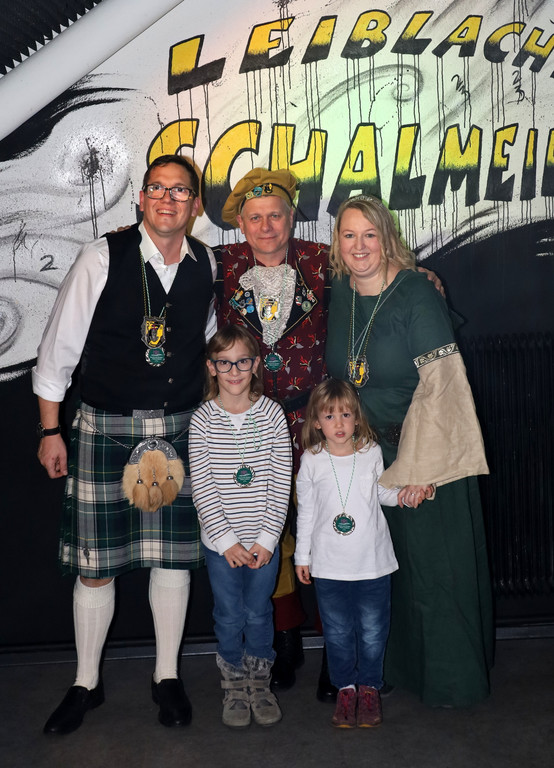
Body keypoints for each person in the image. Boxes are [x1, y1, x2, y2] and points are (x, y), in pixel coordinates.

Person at [217, 167, 445, 697]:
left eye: (276, 216)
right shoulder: (220, 266)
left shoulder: (325, 260)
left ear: (292, 217)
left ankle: (333, 652)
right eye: (255, 218)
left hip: (320, 422)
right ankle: (285, 638)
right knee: (269, 530)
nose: (267, 227)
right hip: (255, 425)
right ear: (241, 225)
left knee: (330, 523)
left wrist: (420, 274)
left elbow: (377, 269)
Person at [33, 153, 217, 734]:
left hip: (179, 426)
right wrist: (49, 430)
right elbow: (57, 350)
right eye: (157, 188)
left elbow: (210, 346)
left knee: (172, 559)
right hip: (105, 426)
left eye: (180, 191)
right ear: (141, 198)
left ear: (195, 204)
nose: (167, 199)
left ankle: (167, 676)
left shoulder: (206, 262)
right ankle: (86, 683)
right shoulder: (101, 256)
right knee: (96, 566)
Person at [325, 194, 494, 708]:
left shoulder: (416, 291)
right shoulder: (341, 289)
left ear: (388, 238)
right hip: (368, 456)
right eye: (349, 235)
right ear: (337, 243)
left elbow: (442, 387)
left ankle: (451, 683)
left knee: (435, 571)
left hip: (424, 452)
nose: (359, 246)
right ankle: (391, 669)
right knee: (384, 571)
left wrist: (419, 468)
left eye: (370, 235)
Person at [295, 378, 432, 728]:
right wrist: (302, 557)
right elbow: (306, 511)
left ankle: (369, 689)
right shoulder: (311, 461)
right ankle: (346, 690)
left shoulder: (370, 452)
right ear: (316, 422)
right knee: (338, 633)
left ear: (357, 418)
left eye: (346, 414)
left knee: (373, 631)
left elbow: (382, 493)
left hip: (372, 563)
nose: (339, 423)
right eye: (329, 416)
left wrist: (405, 496)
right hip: (329, 567)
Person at [188, 325, 292, 728]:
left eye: (242, 362)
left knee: (259, 612)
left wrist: (267, 539)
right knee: (230, 615)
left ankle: (259, 684)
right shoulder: (202, 420)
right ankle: (233, 685)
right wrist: (227, 542)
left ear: (255, 365)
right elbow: (203, 488)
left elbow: (280, 482)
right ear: (211, 367)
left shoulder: (272, 415)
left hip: (263, 543)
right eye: (225, 363)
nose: (234, 371)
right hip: (222, 547)